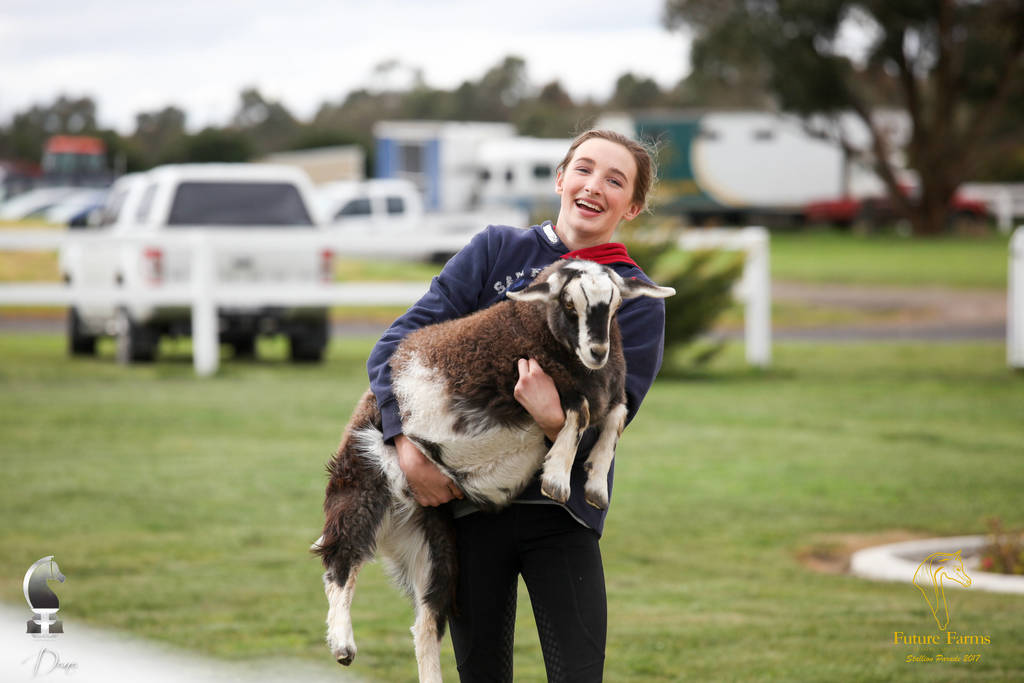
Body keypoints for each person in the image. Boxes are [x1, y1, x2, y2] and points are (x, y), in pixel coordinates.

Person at [366, 129, 668, 682]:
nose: (593, 186)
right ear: (560, 178)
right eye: (583, 169)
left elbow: (615, 416)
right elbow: (394, 347)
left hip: (563, 515)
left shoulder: (634, 295)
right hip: (467, 510)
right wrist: (403, 445)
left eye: (615, 180)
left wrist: (553, 417)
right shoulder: (496, 250)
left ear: (632, 206)